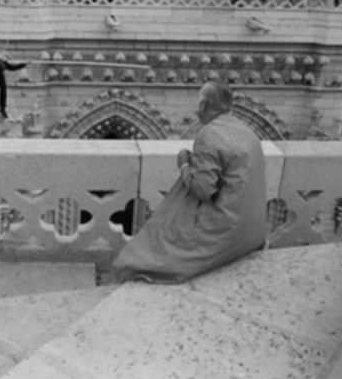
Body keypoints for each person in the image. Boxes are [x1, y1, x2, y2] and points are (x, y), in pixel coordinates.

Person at [111, 81, 267, 284]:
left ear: (203, 105)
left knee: (147, 249)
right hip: (252, 231)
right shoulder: (246, 131)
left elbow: (202, 190)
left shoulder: (209, 134)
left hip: (227, 230)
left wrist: (184, 164)